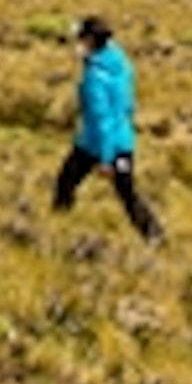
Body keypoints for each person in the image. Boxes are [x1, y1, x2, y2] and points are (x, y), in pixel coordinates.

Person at [54, 16, 162, 242]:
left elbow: (100, 119)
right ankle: (154, 237)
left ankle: (57, 229)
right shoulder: (119, 63)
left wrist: (105, 158)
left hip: (97, 144)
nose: (77, 44)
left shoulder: (96, 77)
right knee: (127, 194)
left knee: (67, 184)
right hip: (122, 140)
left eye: (81, 39)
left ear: (91, 41)